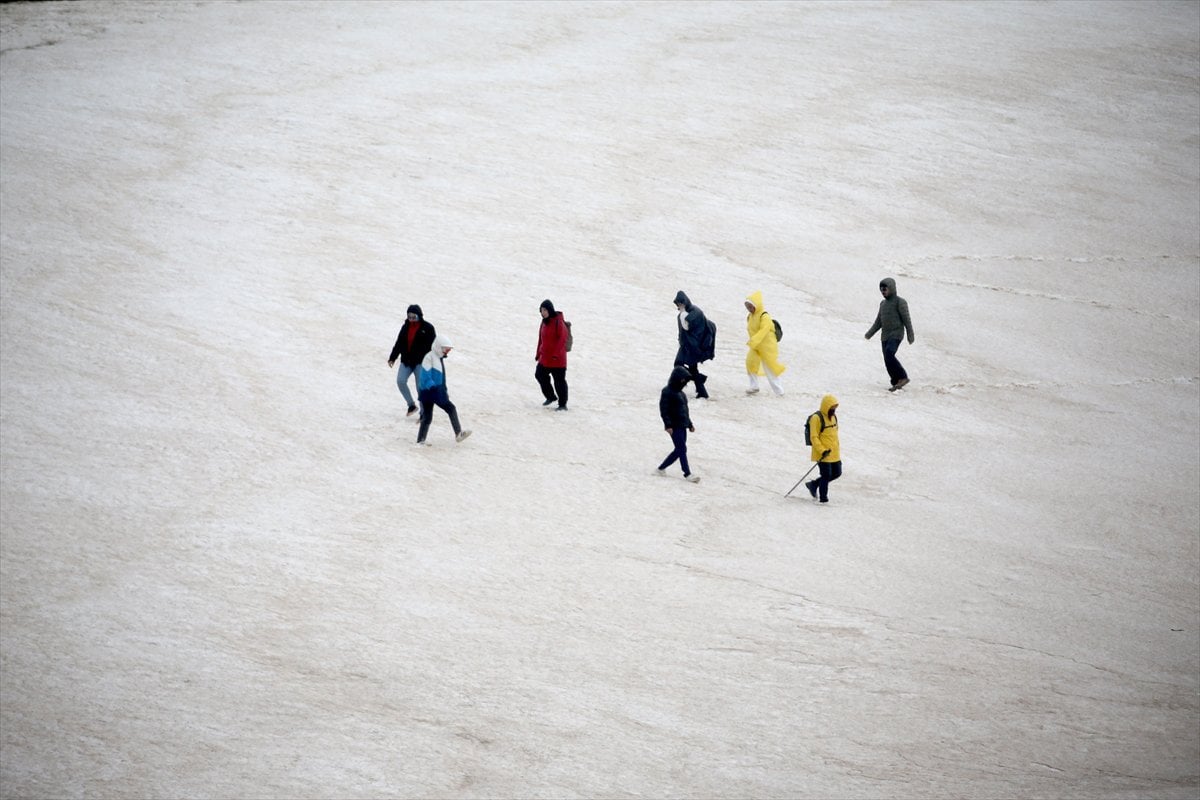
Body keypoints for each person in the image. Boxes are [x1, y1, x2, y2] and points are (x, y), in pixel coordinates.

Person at [415, 334, 471, 446]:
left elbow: (441, 377)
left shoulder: (438, 358)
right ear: (439, 347)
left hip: (432, 392)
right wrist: (434, 388)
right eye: (446, 349)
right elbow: (425, 375)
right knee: (450, 408)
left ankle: (420, 441)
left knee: (427, 417)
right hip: (431, 392)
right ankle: (458, 433)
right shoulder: (429, 357)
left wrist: (444, 390)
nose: (447, 352)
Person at [864, 277, 915, 391]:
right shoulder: (883, 304)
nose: (883, 292)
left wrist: (910, 334)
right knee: (887, 359)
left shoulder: (900, 302)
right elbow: (879, 322)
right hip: (885, 336)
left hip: (896, 334)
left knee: (889, 353)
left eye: (885, 289)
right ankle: (896, 381)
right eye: (881, 290)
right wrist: (869, 333)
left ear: (891, 288)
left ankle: (902, 377)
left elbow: (907, 319)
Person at [388, 304, 437, 417]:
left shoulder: (428, 328)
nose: (411, 319)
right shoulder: (405, 327)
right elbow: (399, 342)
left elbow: (433, 347)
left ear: (419, 316)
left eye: (413, 316)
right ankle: (411, 405)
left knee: (420, 388)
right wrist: (393, 357)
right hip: (406, 361)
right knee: (400, 381)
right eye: (409, 316)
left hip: (421, 363)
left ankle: (424, 413)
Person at [657, 366, 700, 482]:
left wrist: (690, 424)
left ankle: (661, 468)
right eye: (683, 380)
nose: (684, 382)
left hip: (682, 425)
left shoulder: (682, 394)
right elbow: (664, 410)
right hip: (674, 426)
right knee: (681, 448)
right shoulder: (667, 391)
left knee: (679, 450)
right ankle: (687, 474)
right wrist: (668, 425)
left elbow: (685, 411)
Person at [744, 290, 785, 395]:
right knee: (750, 362)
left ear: (756, 305)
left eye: (750, 306)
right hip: (756, 346)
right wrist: (754, 342)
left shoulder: (764, 316)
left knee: (769, 368)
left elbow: (764, 330)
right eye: (747, 307)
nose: (749, 309)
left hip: (767, 347)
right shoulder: (750, 317)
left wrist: (753, 340)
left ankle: (779, 391)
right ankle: (754, 386)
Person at [673, 290, 711, 399]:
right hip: (685, 346)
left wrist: (683, 315)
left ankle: (701, 390)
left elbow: (687, 327)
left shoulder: (695, 312)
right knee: (681, 366)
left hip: (693, 347)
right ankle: (701, 385)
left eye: (681, 303)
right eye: (678, 304)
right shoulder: (681, 315)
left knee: (684, 367)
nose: (680, 306)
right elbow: (681, 331)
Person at [804, 394, 841, 503]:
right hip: (822, 453)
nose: (834, 409)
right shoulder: (816, 418)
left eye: (835, 407)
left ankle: (814, 484)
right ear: (827, 406)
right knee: (826, 475)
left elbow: (834, 434)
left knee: (837, 473)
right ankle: (823, 499)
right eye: (832, 407)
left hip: (834, 452)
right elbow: (814, 437)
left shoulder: (833, 417)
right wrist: (822, 450)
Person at [535, 299, 570, 411]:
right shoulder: (544, 322)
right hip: (545, 357)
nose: (542, 312)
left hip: (558, 359)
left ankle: (563, 404)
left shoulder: (558, 322)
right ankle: (550, 396)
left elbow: (562, 339)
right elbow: (541, 339)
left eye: (544, 310)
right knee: (539, 374)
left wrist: (556, 354)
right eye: (541, 310)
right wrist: (538, 353)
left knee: (559, 382)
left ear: (550, 309)